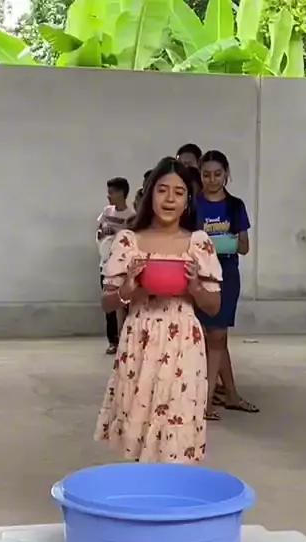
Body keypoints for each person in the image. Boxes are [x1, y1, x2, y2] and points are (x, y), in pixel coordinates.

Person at [95, 157, 222, 463]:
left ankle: (172, 487)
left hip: (184, 345)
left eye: (179, 192)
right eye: (162, 190)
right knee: (138, 423)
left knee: (178, 425)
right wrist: (129, 290)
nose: (169, 199)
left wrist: (195, 288)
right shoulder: (129, 241)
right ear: (150, 194)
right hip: (139, 340)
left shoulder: (199, 243)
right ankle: (141, 487)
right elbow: (107, 302)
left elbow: (214, 306)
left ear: (188, 201)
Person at [196, 150, 259, 418]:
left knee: (218, 336)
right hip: (199, 276)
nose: (212, 180)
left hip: (227, 275)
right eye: (206, 175)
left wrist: (225, 242)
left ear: (226, 174)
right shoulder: (193, 205)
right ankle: (214, 397)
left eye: (217, 174)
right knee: (205, 337)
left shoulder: (235, 206)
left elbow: (244, 247)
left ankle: (210, 399)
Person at [97, 177, 134, 354]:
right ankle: (112, 340)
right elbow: (99, 230)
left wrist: (117, 232)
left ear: (121, 193)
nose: (109, 196)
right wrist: (102, 232)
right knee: (109, 304)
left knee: (124, 304)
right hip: (105, 263)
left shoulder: (131, 216)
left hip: (122, 266)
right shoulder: (106, 211)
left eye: (112, 193)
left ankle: (125, 337)